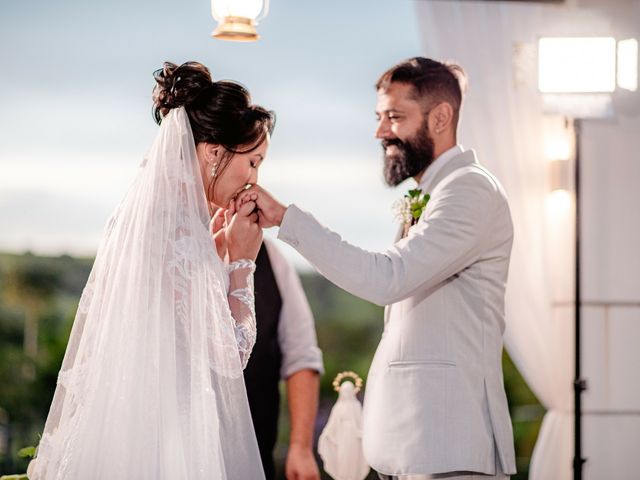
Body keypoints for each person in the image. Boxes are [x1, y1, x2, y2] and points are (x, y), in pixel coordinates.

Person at [237, 57, 517, 480]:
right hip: (420, 445)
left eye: (394, 117)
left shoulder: (469, 190)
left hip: (447, 445)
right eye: (379, 117)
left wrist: (286, 219)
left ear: (441, 117)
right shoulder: (437, 192)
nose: (380, 131)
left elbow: (389, 279)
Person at [28, 61, 274, 479]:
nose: (254, 179)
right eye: (252, 162)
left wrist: (214, 254)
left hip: (127, 425)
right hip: (168, 438)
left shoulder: (151, 218)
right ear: (214, 152)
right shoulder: (181, 229)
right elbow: (230, 356)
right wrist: (241, 263)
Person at [245, 239, 323, 480]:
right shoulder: (159, 245)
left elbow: (301, 356)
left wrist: (300, 447)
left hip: (255, 451)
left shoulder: (271, 257)